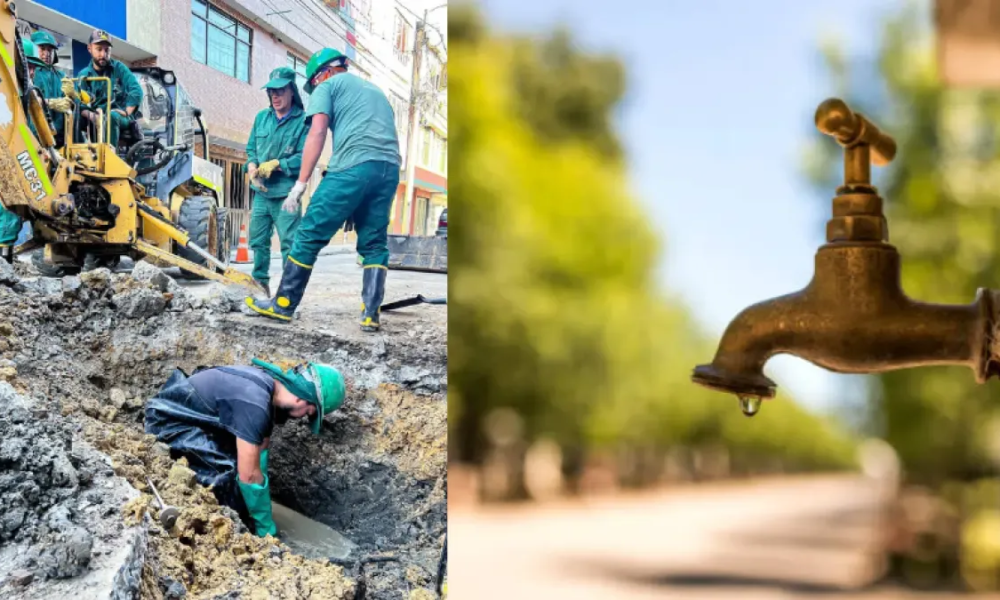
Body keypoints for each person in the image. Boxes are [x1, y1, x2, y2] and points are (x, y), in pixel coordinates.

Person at [246, 48, 401, 332]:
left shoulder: (328, 85)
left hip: (352, 167)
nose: (314, 87)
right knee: (374, 242)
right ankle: (370, 314)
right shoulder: (378, 93)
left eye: (313, 82)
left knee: (309, 233)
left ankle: (283, 304)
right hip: (388, 169)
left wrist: (301, 184)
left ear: (323, 73)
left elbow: (317, 132)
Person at [144, 359, 346, 537]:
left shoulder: (268, 387)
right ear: (301, 398)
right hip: (169, 421)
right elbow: (248, 475)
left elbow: (260, 452)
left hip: (195, 416)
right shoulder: (255, 403)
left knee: (244, 472)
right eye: (309, 413)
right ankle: (225, 529)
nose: (304, 418)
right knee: (229, 476)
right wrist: (265, 527)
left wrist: (259, 492)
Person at [245, 67, 309, 295]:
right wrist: (252, 166)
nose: (275, 96)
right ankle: (260, 285)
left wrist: (278, 164)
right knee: (258, 240)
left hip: (286, 195)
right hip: (262, 193)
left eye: (280, 90)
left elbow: (306, 157)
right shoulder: (262, 118)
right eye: (272, 91)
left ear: (292, 91)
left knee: (290, 245)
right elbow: (251, 149)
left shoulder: (303, 121)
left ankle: (289, 293)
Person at [62, 29, 143, 147]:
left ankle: (110, 155)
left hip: (118, 116)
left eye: (107, 50)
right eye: (99, 49)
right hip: (95, 116)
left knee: (112, 116)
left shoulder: (119, 68)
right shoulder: (84, 75)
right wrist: (94, 117)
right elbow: (79, 102)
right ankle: (77, 153)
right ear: (90, 49)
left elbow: (136, 90)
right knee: (72, 116)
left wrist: (126, 112)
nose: (103, 55)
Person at [29, 30, 69, 145]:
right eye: (42, 48)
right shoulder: (30, 71)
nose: (46, 53)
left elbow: (72, 100)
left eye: (50, 50)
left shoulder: (62, 76)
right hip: (35, 135)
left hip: (59, 137)